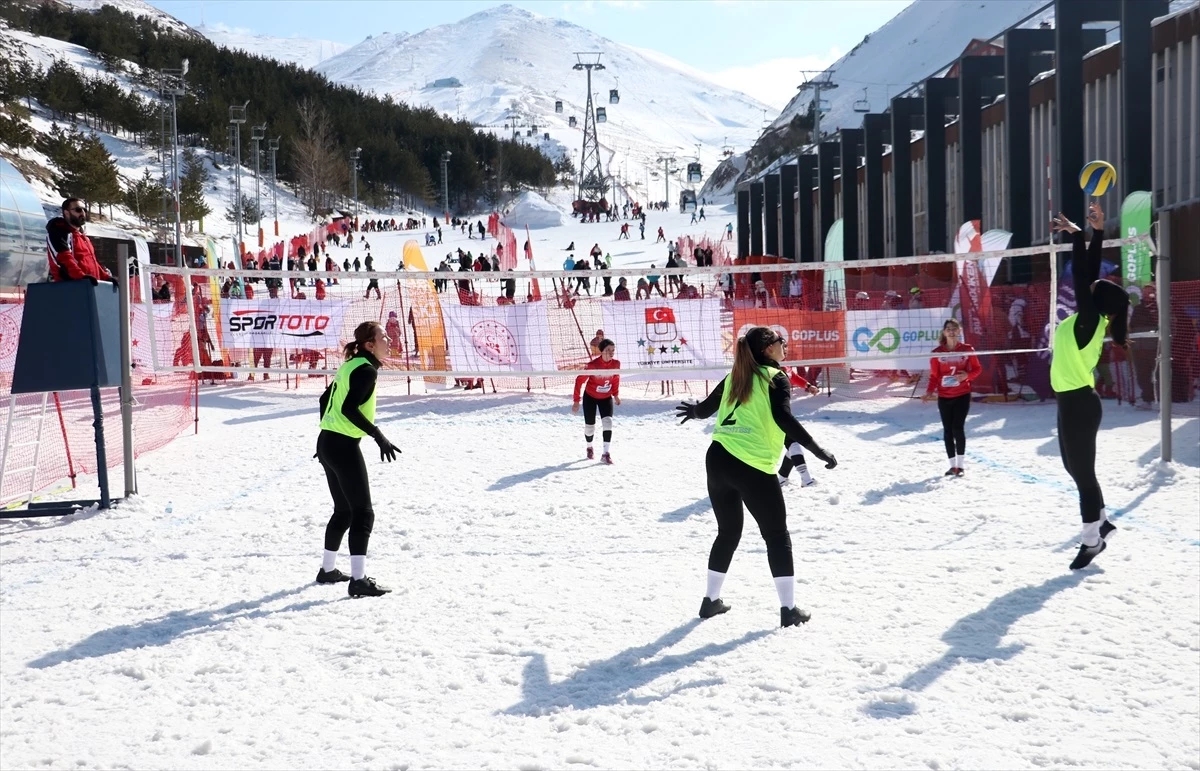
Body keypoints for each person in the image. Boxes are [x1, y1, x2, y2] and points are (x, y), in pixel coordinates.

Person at [674, 327, 837, 627]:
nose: (784, 345)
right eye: (779, 342)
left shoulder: (735, 375)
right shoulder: (776, 377)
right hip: (750, 463)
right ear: (766, 349)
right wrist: (818, 450)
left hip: (718, 458)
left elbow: (707, 409)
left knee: (728, 532)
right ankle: (788, 610)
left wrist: (693, 412)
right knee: (777, 536)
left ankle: (710, 601)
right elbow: (783, 418)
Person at [1049, 202, 1129, 570]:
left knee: (1082, 477)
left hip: (1080, 404)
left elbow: (1084, 274)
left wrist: (1082, 235)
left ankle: (1091, 540)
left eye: (1096, 287)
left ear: (1097, 301)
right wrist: (1093, 233)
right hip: (1073, 402)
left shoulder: (1088, 321)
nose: (1092, 283)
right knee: (1074, 468)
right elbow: (1087, 275)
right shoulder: (1092, 319)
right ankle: (1103, 520)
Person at [315, 321, 401, 597]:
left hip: (329, 442)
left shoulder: (351, 364)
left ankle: (328, 571)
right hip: (341, 446)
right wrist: (378, 435)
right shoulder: (364, 370)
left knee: (344, 511)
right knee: (363, 512)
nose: (388, 339)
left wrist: (326, 430)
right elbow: (349, 408)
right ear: (369, 345)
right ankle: (358, 580)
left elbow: (324, 399)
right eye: (383, 336)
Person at [921, 319, 982, 476]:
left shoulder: (967, 349)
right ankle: (952, 466)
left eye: (954, 328)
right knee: (948, 431)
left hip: (962, 394)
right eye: (948, 329)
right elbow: (934, 376)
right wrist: (929, 392)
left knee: (957, 428)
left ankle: (960, 466)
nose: (952, 331)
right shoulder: (937, 353)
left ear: (959, 331)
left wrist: (966, 376)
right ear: (944, 332)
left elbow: (977, 369)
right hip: (944, 396)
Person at [572, 338, 621, 464]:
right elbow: (579, 380)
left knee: (608, 422)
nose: (611, 353)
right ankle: (589, 447)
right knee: (590, 427)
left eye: (613, 350)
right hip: (591, 397)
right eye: (608, 350)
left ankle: (606, 453)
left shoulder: (616, 364)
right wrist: (576, 400)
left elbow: (615, 379)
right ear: (601, 351)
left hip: (606, 398)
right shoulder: (593, 365)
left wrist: (615, 395)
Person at [46, 198, 114, 283]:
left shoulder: (82, 236)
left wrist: (105, 277)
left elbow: (92, 263)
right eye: (78, 210)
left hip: (89, 286)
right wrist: (81, 277)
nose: (82, 213)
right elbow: (64, 259)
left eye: (84, 210)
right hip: (72, 287)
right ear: (66, 213)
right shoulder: (59, 232)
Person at [777, 368, 822, 487]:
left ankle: (782, 477)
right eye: (783, 347)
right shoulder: (767, 368)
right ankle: (807, 480)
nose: (785, 349)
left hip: (782, 414)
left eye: (786, 347)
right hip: (772, 415)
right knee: (794, 444)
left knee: (792, 444)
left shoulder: (784, 366)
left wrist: (808, 385)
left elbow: (792, 375)